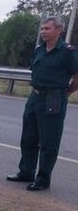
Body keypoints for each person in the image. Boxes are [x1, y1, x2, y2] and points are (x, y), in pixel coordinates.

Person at [7, 16, 78, 191]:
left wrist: (66, 92)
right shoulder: (39, 50)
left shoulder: (67, 52)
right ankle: (26, 172)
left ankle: (43, 178)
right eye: (42, 29)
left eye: (47, 29)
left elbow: (77, 76)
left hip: (53, 98)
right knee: (28, 138)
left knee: (49, 141)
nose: (43, 32)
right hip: (35, 97)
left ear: (59, 30)